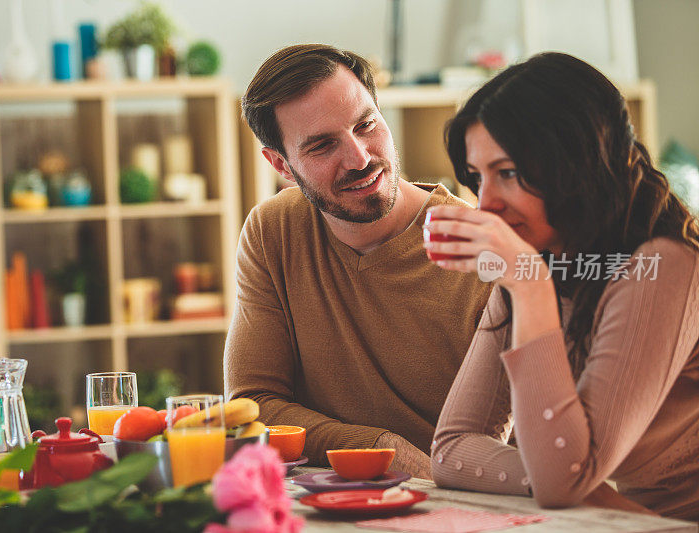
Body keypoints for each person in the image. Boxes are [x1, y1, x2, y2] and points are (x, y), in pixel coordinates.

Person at [429, 52, 699, 520]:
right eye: (477, 177)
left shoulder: (662, 264)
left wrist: (573, 482)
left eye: (508, 173)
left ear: (578, 163)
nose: (486, 203)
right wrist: (583, 486)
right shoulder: (539, 262)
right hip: (622, 517)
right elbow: (452, 450)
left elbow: (563, 481)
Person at [225, 44, 492, 478]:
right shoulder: (274, 230)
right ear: (281, 166)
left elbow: (512, 448)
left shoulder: (483, 249)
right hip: (328, 506)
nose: (360, 158)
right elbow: (252, 406)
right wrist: (380, 449)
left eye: (366, 124)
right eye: (322, 146)